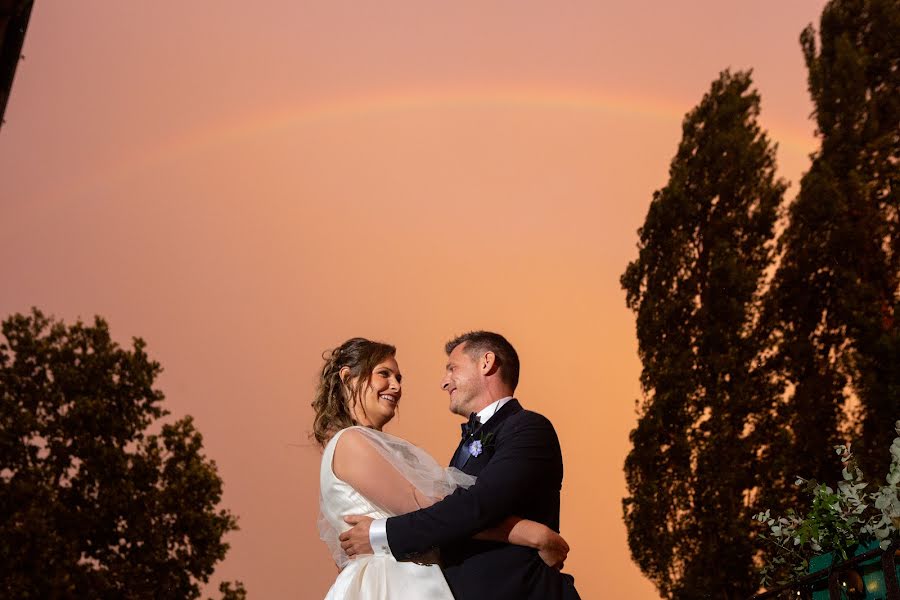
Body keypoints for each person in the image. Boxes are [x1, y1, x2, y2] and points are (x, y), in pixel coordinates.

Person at [314, 337, 569, 599]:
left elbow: (453, 509)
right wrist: (529, 533)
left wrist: (378, 534)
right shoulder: (351, 442)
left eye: (398, 378)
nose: (396, 386)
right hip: (390, 584)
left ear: (487, 363)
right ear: (348, 379)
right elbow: (427, 506)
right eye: (384, 374)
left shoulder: (525, 427)